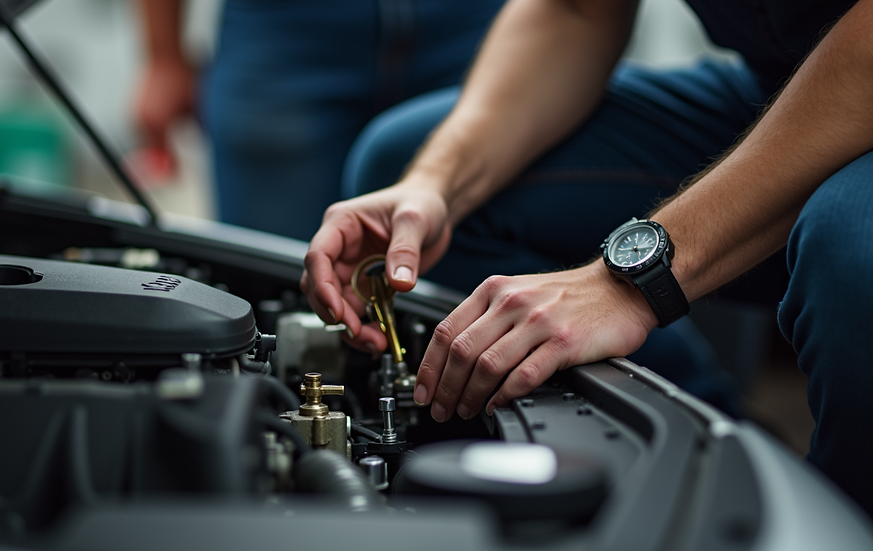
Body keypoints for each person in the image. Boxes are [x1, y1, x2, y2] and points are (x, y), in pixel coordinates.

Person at [301, 0, 873, 518]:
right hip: (787, 86)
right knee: (403, 165)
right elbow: (576, 11)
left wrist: (624, 285)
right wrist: (435, 185)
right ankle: (726, 466)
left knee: (849, 251)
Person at [133, 0, 505, 241]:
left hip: (474, 28)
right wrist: (163, 55)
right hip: (285, 32)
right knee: (274, 287)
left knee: (466, 295)